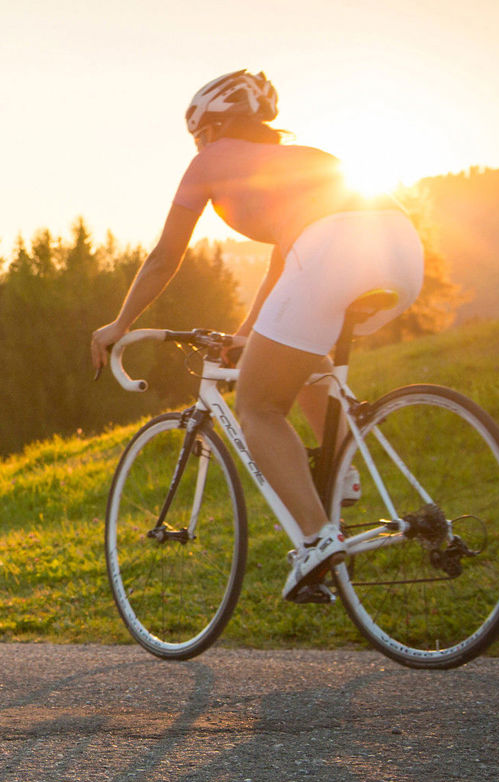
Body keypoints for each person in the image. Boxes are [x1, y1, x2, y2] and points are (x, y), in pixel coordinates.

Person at [88, 70, 424, 602]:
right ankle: (343, 473)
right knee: (304, 360)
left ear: (215, 127)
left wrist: (120, 323)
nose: (198, 145)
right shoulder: (300, 162)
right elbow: (282, 267)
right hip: (401, 249)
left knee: (259, 408)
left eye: (198, 134)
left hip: (331, 249)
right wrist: (247, 334)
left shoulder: (210, 161)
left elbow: (164, 257)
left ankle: (317, 541)